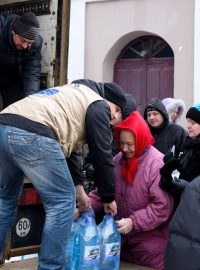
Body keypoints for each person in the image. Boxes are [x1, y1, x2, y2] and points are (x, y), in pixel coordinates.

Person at [0, 79, 126, 269]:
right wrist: (108, 196)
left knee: (5, 198)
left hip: (4, 124)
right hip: (33, 131)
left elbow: (70, 149)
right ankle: (51, 267)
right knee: (62, 202)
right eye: (117, 113)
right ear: (112, 105)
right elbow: (102, 154)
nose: (114, 119)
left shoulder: (72, 93)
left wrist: (80, 190)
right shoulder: (98, 105)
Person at [88, 111, 174, 270]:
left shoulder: (157, 164)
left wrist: (133, 222)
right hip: (121, 248)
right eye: (121, 143)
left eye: (130, 144)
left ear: (141, 138)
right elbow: (103, 192)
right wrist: (84, 205)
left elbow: (162, 207)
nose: (124, 148)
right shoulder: (118, 160)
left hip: (149, 252)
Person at [159, 103, 200, 270]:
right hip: (180, 209)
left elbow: (191, 184)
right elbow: (181, 177)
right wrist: (170, 167)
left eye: (193, 122)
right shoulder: (190, 145)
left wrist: (173, 167)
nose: (188, 125)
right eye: (188, 121)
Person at [0, 12, 43, 108]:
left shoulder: (35, 44)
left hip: (10, 75)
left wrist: (30, 100)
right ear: (13, 32)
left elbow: (32, 74)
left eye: (29, 43)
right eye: (22, 40)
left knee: (15, 107)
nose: (24, 46)